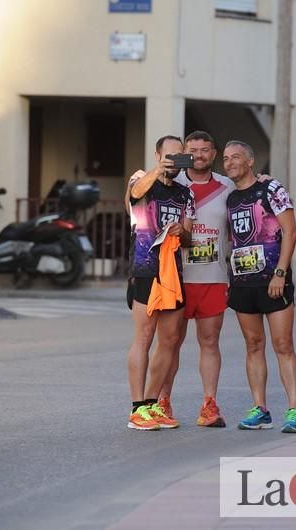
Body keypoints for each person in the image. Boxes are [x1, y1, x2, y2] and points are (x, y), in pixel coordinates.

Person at [155, 131, 235, 428]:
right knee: (171, 343)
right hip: (176, 276)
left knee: (210, 341)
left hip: (213, 276)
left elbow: (252, 194)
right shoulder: (172, 184)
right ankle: (162, 402)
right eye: (193, 150)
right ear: (184, 153)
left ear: (213, 154)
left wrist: (265, 180)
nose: (199, 155)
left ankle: (209, 405)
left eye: (205, 150)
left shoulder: (227, 187)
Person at [222, 140, 296, 433]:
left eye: (236, 157)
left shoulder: (271, 190)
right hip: (243, 283)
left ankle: (293, 410)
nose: (230, 162)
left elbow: (291, 231)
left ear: (250, 161)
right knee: (253, 345)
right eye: (226, 158)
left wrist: (280, 273)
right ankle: (260, 408)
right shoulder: (230, 199)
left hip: (274, 280)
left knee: (283, 345)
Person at [124, 135, 196, 431]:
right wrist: (158, 170)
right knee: (144, 337)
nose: (176, 161)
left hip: (173, 274)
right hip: (144, 270)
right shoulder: (142, 179)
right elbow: (134, 194)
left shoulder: (185, 194)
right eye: (170, 156)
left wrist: (182, 230)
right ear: (157, 155)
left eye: (181, 156)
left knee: (169, 340)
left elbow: (190, 239)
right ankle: (137, 407)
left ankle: (153, 403)